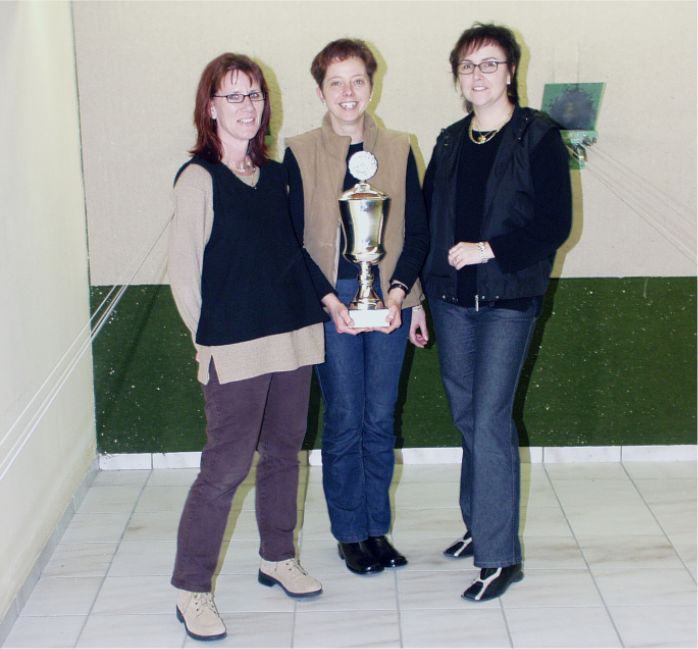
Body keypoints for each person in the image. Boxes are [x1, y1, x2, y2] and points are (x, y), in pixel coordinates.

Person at [168, 53, 333, 641]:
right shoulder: (198, 179)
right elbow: (184, 275)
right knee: (225, 469)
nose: (247, 106)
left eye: (255, 95)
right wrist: (206, 341)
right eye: (233, 96)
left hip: (293, 337)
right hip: (233, 348)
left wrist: (329, 305)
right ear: (210, 108)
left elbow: (294, 252)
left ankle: (277, 557)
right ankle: (191, 588)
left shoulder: (278, 175)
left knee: (285, 453)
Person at [422, 23, 572, 601]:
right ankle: (479, 522)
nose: (478, 74)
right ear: (457, 77)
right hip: (451, 303)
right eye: (467, 65)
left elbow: (555, 225)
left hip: (508, 301)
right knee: (468, 417)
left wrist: (490, 249)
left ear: (510, 71)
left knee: (489, 419)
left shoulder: (538, 137)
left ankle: (500, 555)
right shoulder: (448, 142)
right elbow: (426, 226)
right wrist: (417, 298)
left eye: (489, 63)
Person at [284, 38, 429, 575]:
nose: (348, 92)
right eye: (336, 82)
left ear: (372, 84)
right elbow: (292, 241)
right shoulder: (299, 151)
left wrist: (401, 295)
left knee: (380, 419)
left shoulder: (400, 147)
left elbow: (418, 233)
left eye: (358, 81)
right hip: (332, 304)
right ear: (320, 90)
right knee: (345, 419)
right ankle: (349, 533)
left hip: (388, 301)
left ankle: (376, 529)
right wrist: (328, 301)